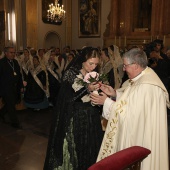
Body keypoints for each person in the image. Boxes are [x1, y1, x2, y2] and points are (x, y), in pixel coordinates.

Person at [90, 48, 170, 170]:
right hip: (140, 132)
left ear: (136, 66)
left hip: (144, 137)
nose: (123, 69)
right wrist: (115, 93)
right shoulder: (143, 77)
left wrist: (105, 102)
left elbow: (130, 114)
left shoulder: (147, 86)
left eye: (125, 65)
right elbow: (132, 99)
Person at [44, 47, 104, 170]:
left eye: (96, 64)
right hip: (76, 116)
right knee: (77, 147)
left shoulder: (93, 74)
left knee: (90, 146)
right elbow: (67, 98)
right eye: (90, 63)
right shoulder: (71, 73)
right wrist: (87, 89)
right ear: (83, 60)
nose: (93, 67)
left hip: (91, 116)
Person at [0, 46, 23, 128]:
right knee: (11, 105)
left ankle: (1, 113)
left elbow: (19, 75)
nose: (13, 54)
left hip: (14, 87)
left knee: (11, 103)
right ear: (6, 53)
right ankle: (15, 123)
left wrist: (21, 86)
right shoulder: (1, 63)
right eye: (11, 52)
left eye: (14, 52)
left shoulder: (15, 62)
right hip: (5, 88)